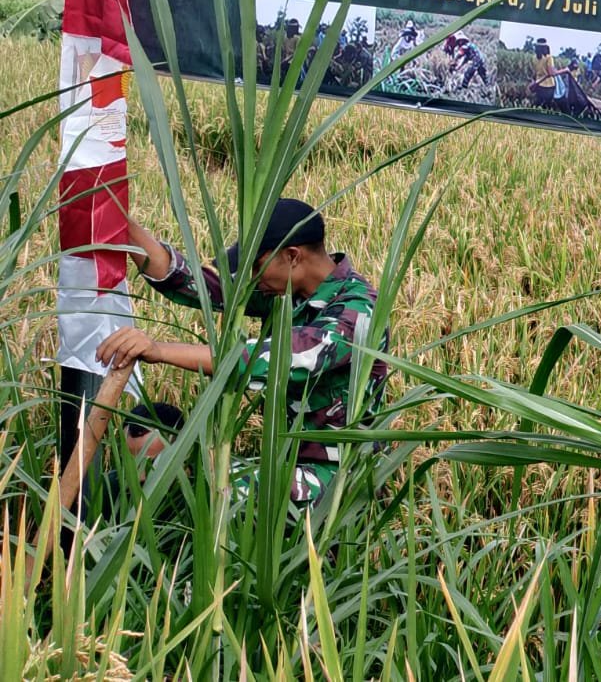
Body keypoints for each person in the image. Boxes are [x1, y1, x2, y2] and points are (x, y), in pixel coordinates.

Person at [94, 198, 388, 509]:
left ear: (292, 256)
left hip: (340, 478)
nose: (253, 277)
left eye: (257, 266)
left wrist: (158, 350)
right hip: (286, 462)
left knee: (197, 482)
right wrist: (123, 224)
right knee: (154, 467)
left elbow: (278, 358)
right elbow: (193, 284)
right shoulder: (287, 289)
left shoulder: (358, 310)